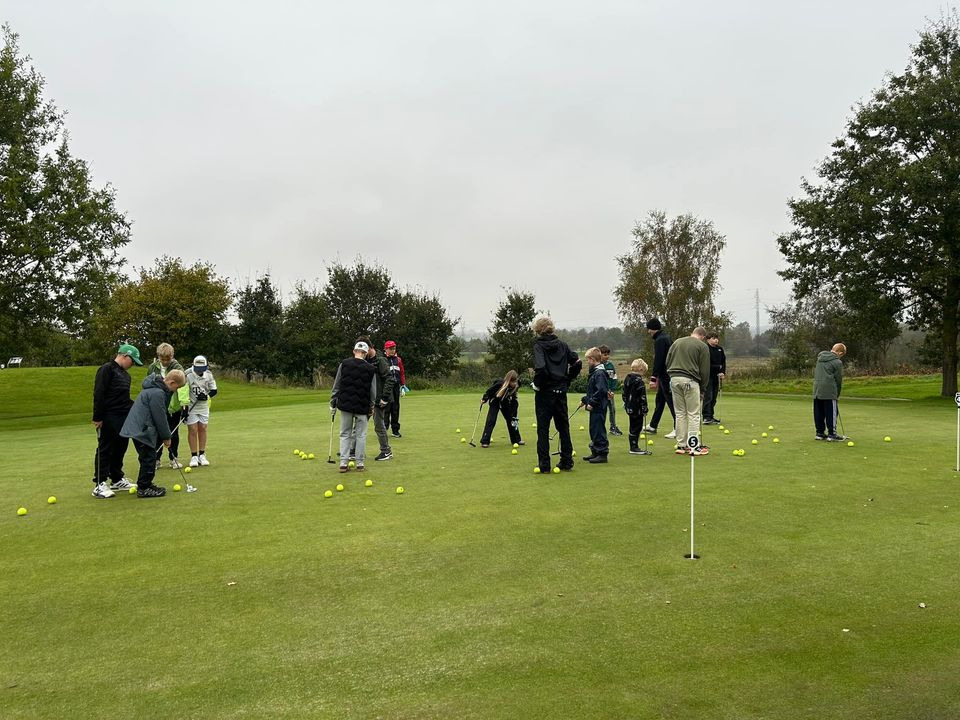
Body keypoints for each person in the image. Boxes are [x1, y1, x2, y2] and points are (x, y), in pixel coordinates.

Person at [120, 369, 187, 497]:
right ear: (172, 382)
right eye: (177, 387)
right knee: (149, 458)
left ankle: (146, 484)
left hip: (141, 427)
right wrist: (167, 437)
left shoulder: (154, 388)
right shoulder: (157, 393)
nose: (176, 390)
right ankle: (144, 487)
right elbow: (160, 417)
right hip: (141, 429)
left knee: (148, 456)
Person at [531, 315, 582, 473]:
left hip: (545, 393)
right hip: (560, 392)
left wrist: (538, 384)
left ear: (538, 330)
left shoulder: (538, 346)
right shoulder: (563, 345)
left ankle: (544, 465)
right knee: (563, 427)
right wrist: (567, 380)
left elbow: (540, 367)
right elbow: (577, 362)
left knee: (543, 429)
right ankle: (567, 461)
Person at [91, 343, 142, 499]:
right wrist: (97, 417)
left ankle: (117, 478)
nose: (132, 365)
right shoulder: (106, 369)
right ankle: (99, 483)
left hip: (123, 416)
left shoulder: (126, 375)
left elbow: (124, 399)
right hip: (107, 416)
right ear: (124, 355)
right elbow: (99, 393)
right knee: (105, 448)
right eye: (132, 361)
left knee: (121, 446)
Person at [330, 341, 377, 472]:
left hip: (345, 404)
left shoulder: (344, 364)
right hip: (362, 406)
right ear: (366, 354)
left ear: (354, 351)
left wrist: (333, 400)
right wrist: (372, 406)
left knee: (345, 433)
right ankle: (360, 463)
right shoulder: (371, 368)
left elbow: (337, 385)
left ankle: (343, 463)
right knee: (360, 435)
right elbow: (373, 392)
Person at [666, 327, 712, 456]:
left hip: (674, 379)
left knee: (680, 413)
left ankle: (681, 445)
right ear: (702, 336)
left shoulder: (677, 342)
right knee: (693, 414)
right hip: (690, 380)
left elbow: (667, 361)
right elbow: (704, 370)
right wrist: (703, 389)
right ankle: (694, 446)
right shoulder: (702, 346)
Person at [146, 343, 191, 469]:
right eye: (162, 359)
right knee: (158, 433)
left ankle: (173, 458)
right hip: (158, 406)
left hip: (173, 406)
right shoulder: (152, 368)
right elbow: (149, 385)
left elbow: (183, 387)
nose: (165, 361)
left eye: (168, 359)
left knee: (173, 433)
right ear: (158, 356)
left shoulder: (177, 367)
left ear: (172, 356)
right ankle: (156, 459)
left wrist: (184, 405)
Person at [360, 337, 397, 461]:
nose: (363, 353)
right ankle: (353, 450)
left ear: (370, 348)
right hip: (369, 399)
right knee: (359, 424)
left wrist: (384, 398)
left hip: (380, 400)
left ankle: (386, 451)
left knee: (379, 425)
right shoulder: (365, 361)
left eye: (365, 350)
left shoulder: (380, 360)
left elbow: (390, 379)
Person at [643, 318, 676, 439]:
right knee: (660, 400)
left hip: (666, 375)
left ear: (653, 328)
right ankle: (653, 425)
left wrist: (653, 377)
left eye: (649, 329)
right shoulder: (665, 337)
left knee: (671, 401)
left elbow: (659, 360)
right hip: (666, 374)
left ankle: (678, 428)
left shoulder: (660, 340)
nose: (648, 332)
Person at [185, 355, 218, 467]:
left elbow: (214, 390)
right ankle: (194, 456)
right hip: (191, 406)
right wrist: (184, 408)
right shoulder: (187, 374)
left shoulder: (208, 374)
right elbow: (183, 391)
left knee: (202, 428)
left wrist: (206, 396)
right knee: (193, 429)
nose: (199, 371)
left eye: (201, 369)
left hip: (203, 406)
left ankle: (202, 454)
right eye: (197, 368)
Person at [479, 370, 523, 447]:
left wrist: (514, 411)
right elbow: (489, 392)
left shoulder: (517, 384)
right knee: (491, 420)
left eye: (515, 381)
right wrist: (484, 399)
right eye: (513, 382)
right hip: (495, 401)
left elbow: (514, 398)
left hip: (505, 402)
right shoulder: (499, 384)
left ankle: (516, 440)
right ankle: (485, 441)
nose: (514, 384)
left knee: (512, 420)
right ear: (508, 380)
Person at [581, 348, 609, 464]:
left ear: (592, 359)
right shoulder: (596, 372)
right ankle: (595, 451)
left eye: (588, 359)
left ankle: (602, 453)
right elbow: (592, 390)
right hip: (595, 406)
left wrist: (591, 402)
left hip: (598, 406)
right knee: (593, 429)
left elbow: (601, 390)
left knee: (598, 429)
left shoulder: (599, 373)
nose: (587, 362)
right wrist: (585, 400)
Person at [814, 342, 847, 441]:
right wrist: (837, 394)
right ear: (840, 353)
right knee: (831, 412)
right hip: (830, 390)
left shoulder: (820, 358)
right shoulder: (837, 362)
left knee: (819, 412)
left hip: (817, 389)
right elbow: (838, 380)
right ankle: (832, 434)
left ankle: (819, 433)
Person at [622, 358, 651, 455]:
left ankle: (633, 445)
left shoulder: (627, 378)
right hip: (637, 408)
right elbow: (642, 397)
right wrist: (645, 409)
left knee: (632, 426)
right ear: (641, 370)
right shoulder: (639, 382)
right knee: (637, 427)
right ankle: (634, 447)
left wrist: (626, 403)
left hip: (629, 407)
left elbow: (624, 393)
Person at [701, 332, 726, 425]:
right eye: (713, 338)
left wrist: (722, 371)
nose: (716, 340)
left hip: (717, 377)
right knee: (708, 396)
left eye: (717, 338)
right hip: (708, 376)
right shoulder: (705, 349)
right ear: (708, 339)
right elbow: (706, 364)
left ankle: (711, 416)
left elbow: (723, 362)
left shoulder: (720, 349)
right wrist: (718, 368)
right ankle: (706, 417)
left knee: (714, 398)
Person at [383, 340, 406, 438]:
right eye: (390, 348)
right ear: (386, 349)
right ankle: (384, 429)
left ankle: (395, 430)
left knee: (395, 408)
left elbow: (402, 374)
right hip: (387, 388)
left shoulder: (398, 360)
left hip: (396, 387)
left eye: (394, 348)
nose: (392, 350)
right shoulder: (383, 360)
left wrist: (403, 385)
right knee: (386, 409)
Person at [599, 345, 623, 436]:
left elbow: (614, 378)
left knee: (612, 409)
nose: (607, 356)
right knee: (601, 410)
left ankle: (613, 427)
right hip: (601, 392)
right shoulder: (598, 366)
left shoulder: (610, 365)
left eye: (608, 354)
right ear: (599, 355)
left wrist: (612, 390)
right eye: (604, 354)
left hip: (610, 392)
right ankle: (600, 428)